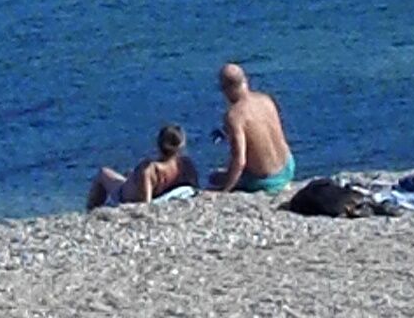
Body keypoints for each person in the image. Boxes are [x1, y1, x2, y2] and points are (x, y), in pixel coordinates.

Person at [210, 61, 294, 194]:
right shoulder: (266, 100)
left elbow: (240, 161)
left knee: (214, 177)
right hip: (288, 167)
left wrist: (225, 190)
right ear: (245, 80)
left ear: (227, 88)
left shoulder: (234, 116)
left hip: (268, 180)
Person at [86, 123, 198, 210]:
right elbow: (194, 189)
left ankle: (90, 211)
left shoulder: (150, 169)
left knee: (103, 173)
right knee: (128, 173)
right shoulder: (185, 163)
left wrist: (136, 178)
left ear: (158, 144)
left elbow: (145, 203)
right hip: (158, 190)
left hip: (123, 194)